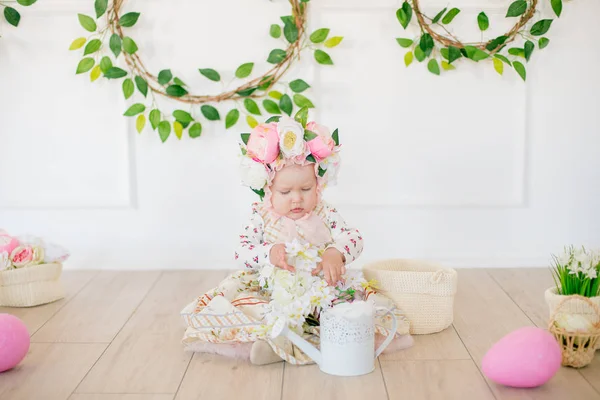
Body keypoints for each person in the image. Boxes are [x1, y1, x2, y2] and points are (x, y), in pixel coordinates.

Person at [180, 110, 411, 365]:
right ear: (268, 190)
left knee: (342, 313)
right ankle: (270, 345)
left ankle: (318, 341)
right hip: (273, 291)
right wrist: (268, 254)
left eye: (306, 189)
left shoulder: (325, 212)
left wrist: (336, 252)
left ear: (318, 185)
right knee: (255, 309)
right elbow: (241, 252)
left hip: (321, 289)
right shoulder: (261, 216)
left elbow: (353, 237)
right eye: (285, 191)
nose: (297, 198)